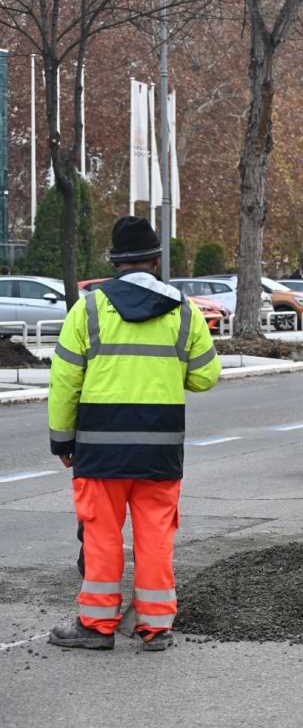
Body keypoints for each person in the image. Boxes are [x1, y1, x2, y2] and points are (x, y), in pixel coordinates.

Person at [47, 216, 221, 651]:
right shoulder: (184, 310)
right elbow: (205, 378)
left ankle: (97, 626)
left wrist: (62, 439)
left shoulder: (88, 309)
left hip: (99, 450)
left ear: (115, 262)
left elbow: (65, 381)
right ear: (156, 260)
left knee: (102, 536)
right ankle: (155, 626)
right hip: (160, 450)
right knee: (155, 536)